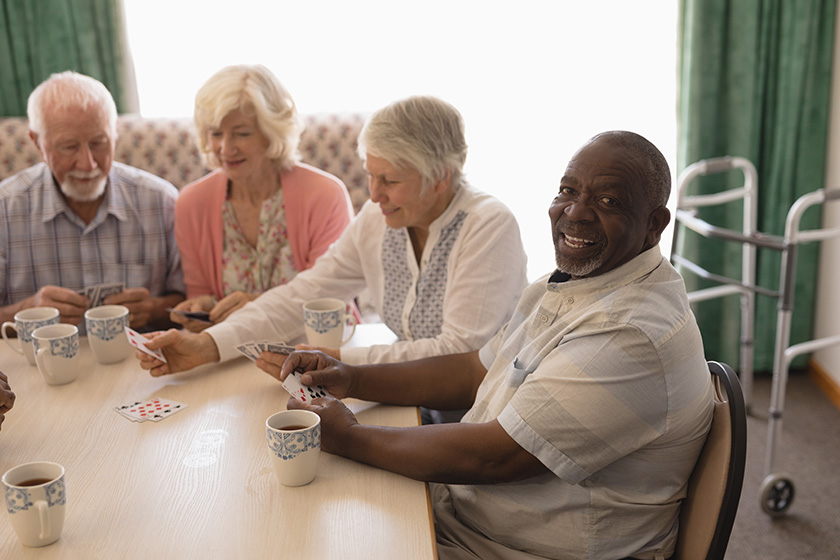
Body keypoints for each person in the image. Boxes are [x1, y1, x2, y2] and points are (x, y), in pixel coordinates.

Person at [259, 131, 716, 559]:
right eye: (567, 191)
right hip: (469, 517)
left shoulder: (630, 332)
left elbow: (498, 456)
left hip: (511, 549)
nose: (575, 212)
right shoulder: (574, 283)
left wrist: (351, 436)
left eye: (608, 200)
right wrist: (353, 377)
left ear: (655, 225)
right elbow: (473, 371)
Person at [136, 95, 528, 423]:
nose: (373, 195)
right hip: (406, 402)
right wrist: (206, 344)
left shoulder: (488, 225)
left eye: (390, 181)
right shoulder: (379, 219)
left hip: (481, 414)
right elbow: (302, 293)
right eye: (370, 175)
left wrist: (336, 363)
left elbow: (457, 356)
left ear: (441, 177)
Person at [171, 65, 353, 330]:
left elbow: (328, 299)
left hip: (318, 350)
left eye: (242, 133)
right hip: (230, 350)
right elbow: (199, 293)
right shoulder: (191, 204)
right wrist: (201, 308)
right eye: (216, 133)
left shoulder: (325, 196)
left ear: (272, 132)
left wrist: (258, 306)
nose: (226, 148)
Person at [0, 71, 185, 330]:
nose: (88, 164)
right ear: (37, 143)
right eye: (69, 147)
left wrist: (154, 310)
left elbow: (195, 303)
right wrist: (23, 311)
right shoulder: (5, 210)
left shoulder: (162, 202)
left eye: (99, 143)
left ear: (115, 134)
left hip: (141, 366)